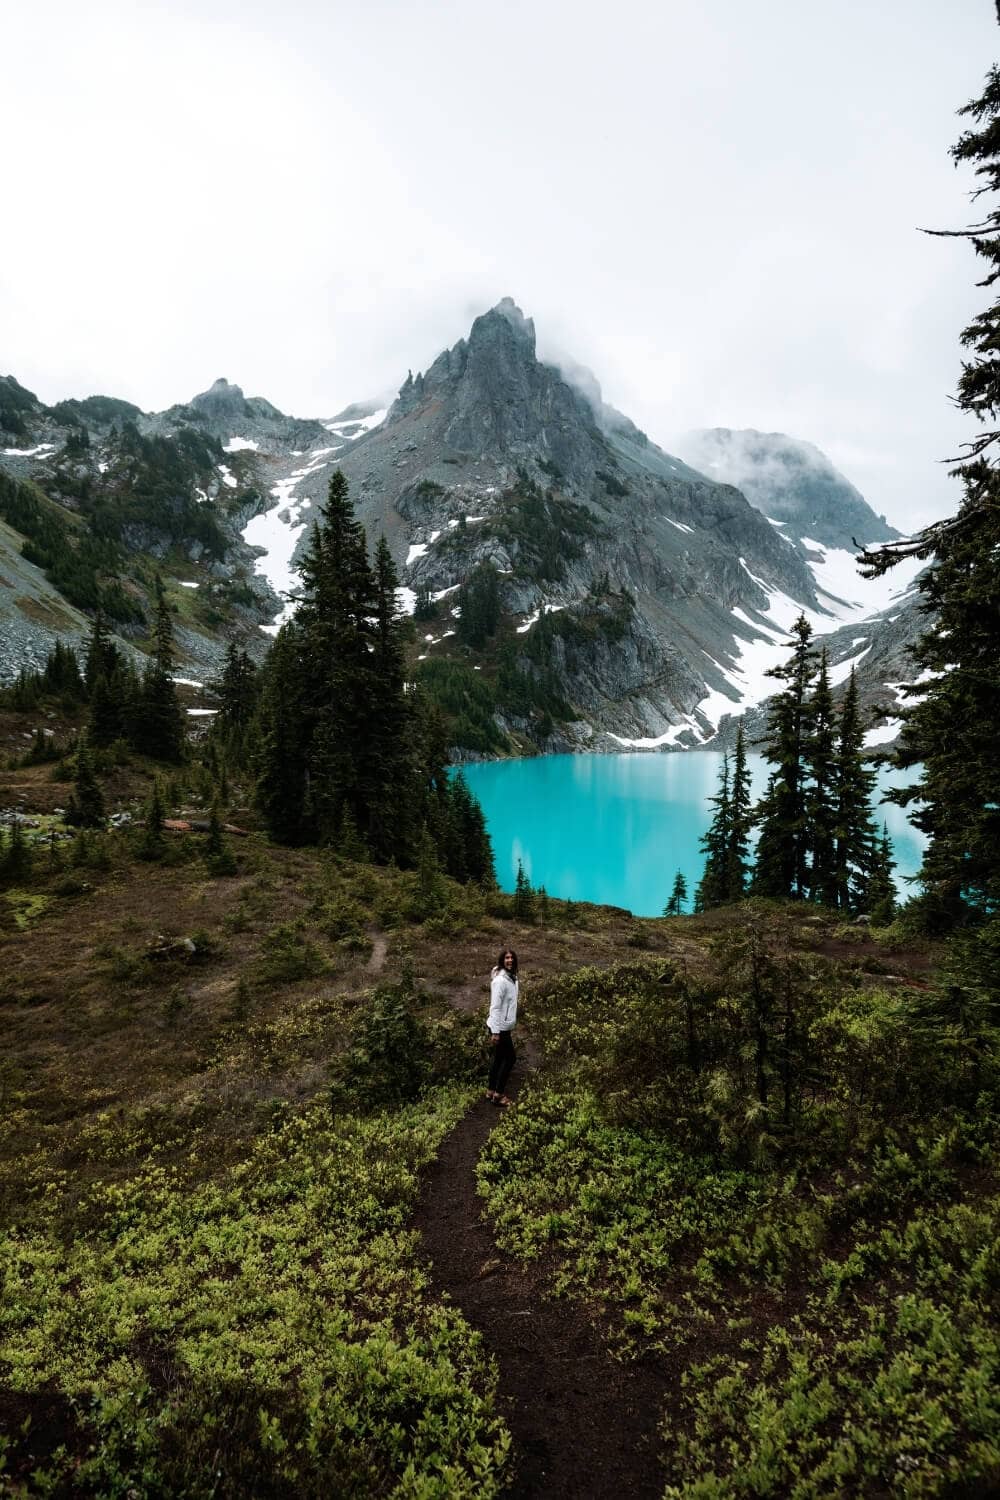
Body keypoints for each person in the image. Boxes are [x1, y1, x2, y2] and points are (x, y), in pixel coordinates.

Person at [486, 948, 519, 1107]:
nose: (510, 960)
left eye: (512, 957)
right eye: (507, 958)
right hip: (500, 1027)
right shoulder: (500, 981)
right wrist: (495, 1032)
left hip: (503, 1025)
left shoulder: (512, 978)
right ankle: (499, 1094)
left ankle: (491, 1090)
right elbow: (495, 1007)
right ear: (502, 960)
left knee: (499, 1058)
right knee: (510, 1058)